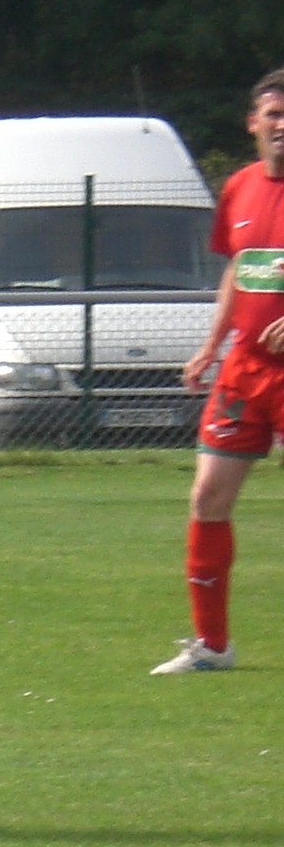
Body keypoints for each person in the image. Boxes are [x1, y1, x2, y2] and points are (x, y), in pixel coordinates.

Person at [155, 65, 284, 674]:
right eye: (274, 114)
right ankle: (212, 646)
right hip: (244, 370)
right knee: (207, 497)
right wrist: (212, 345)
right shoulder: (238, 188)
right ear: (254, 123)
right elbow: (239, 268)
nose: (282, 125)